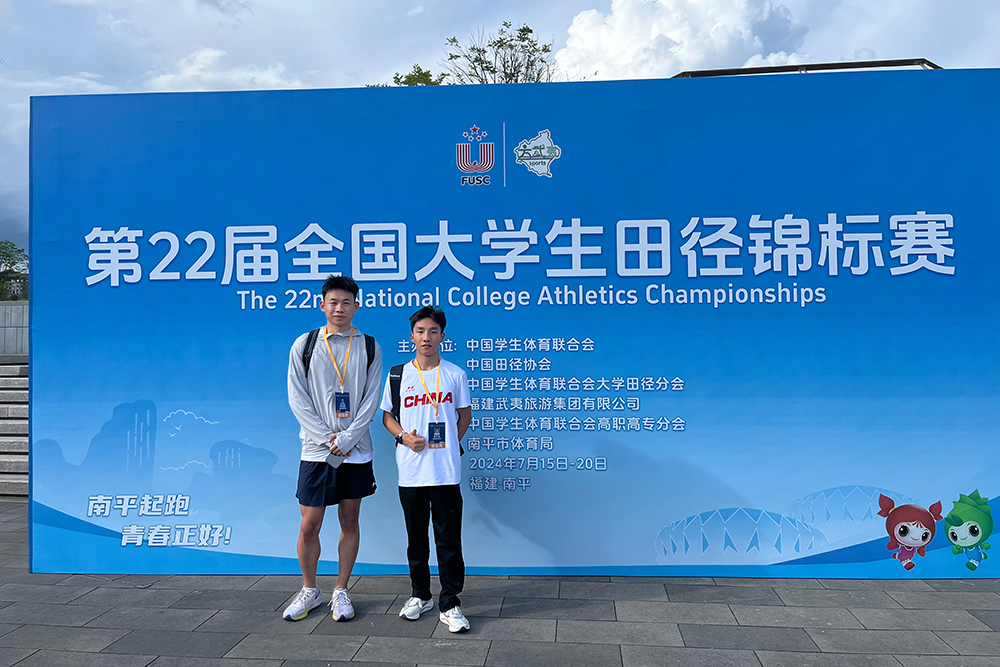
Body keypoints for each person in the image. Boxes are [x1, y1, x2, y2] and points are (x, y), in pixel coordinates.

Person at [283, 275, 382, 622]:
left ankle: (341, 590)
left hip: (356, 450)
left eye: (346, 302)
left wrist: (348, 439)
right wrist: (327, 438)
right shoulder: (305, 344)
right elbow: (297, 397)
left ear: (357, 306)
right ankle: (310, 590)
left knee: (349, 520)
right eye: (333, 302)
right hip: (316, 450)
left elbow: (371, 399)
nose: (340, 308)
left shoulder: (369, 346)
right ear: (322, 304)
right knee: (309, 524)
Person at [381, 306, 472, 633]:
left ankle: (450, 602)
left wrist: (449, 443)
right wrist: (404, 437)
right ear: (412, 336)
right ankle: (421, 595)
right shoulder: (398, 375)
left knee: (448, 540)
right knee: (416, 539)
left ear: (442, 336)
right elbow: (387, 417)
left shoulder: (455, 374)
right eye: (420, 331)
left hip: (445, 472)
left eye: (433, 331)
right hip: (411, 472)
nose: (426, 337)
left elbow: (464, 415)